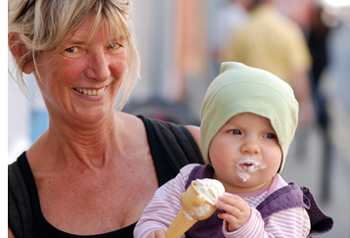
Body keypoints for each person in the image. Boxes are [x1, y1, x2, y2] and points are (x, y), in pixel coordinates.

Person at [8, 1, 204, 238]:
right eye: (74, 48)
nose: (101, 71)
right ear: (22, 53)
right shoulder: (11, 206)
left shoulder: (198, 152)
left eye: (113, 45)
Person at [134, 62, 333, 238]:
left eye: (269, 136)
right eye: (236, 132)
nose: (251, 147)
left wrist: (248, 229)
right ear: (209, 138)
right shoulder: (188, 182)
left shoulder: (286, 206)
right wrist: (153, 232)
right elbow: (153, 218)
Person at [221, 0, 315, 128]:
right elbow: (299, 73)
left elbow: (227, 73)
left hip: (248, 106)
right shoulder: (288, 29)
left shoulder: (241, 31)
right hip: (280, 106)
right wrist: (305, 104)